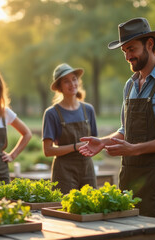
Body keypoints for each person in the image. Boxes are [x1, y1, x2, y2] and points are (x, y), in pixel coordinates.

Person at [79, 17, 155, 219]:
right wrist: (103, 142)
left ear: (150, 44)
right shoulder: (130, 85)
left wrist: (135, 149)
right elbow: (126, 130)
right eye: (124, 52)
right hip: (130, 176)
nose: (127, 56)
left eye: (131, 49)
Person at [42, 63, 98, 194]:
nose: (72, 84)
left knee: (92, 207)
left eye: (74, 79)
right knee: (64, 209)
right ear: (59, 87)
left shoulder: (88, 110)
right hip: (63, 172)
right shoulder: (52, 113)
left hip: (87, 169)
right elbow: (48, 151)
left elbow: (95, 141)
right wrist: (75, 147)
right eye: (66, 81)